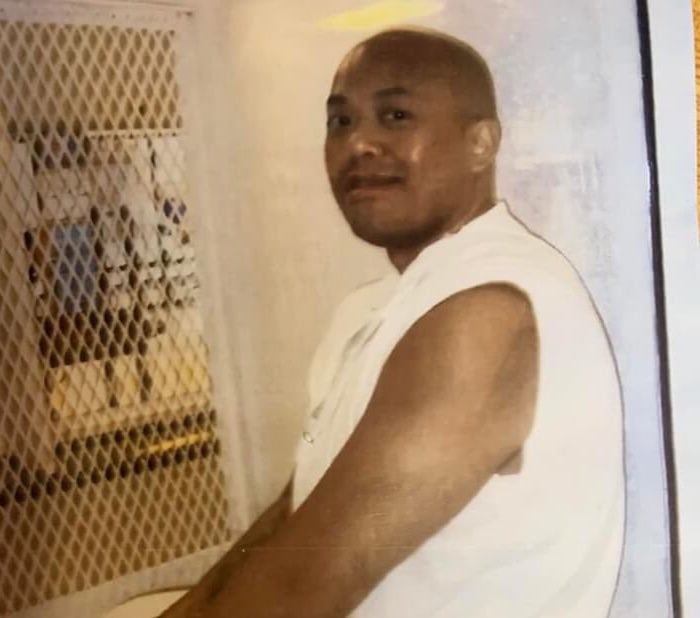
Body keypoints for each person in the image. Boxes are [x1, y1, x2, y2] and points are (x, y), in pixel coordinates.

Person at [161, 27, 625, 618]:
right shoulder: (375, 307)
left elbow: (302, 587)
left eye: (396, 115)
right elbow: (297, 509)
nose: (360, 144)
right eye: (340, 122)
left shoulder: (486, 312)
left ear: (481, 143)